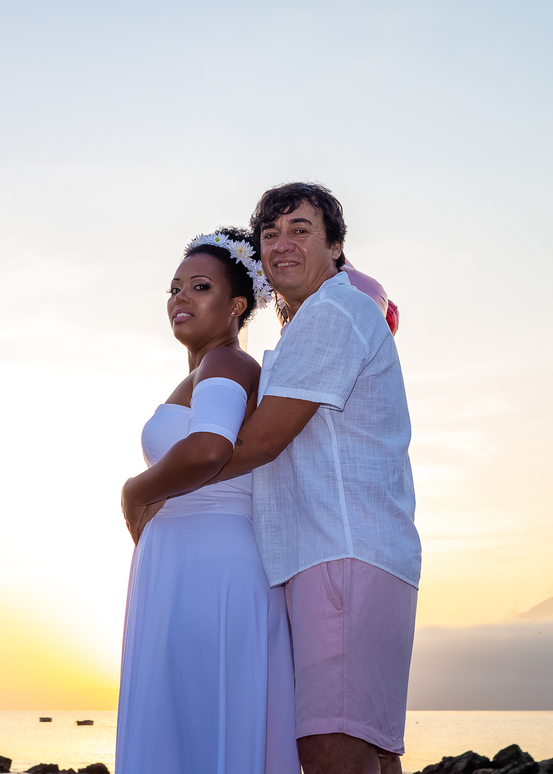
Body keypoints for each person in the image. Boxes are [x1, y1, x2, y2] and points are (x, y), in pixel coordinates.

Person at [209, 183, 421, 774]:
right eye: (270, 234)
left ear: (335, 246)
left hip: (340, 553)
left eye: (300, 230)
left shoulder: (335, 310)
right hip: (349, 555)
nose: (281, 245)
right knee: (365, 748)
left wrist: (159, 488)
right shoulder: (311, 326)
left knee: (330, 746)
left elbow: (264, 440)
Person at [117, 230, 299, 774]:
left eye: (199, 287)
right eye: (174, 288)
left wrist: (134, 493)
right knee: (188, 727)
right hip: (184, 565)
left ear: (236, 306)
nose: (180, 298)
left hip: (210, 567)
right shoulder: (200, 372)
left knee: (204, 723)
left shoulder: (228, 364)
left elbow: (210, 447)